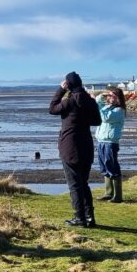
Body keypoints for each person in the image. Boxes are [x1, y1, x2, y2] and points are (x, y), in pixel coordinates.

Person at [49, 71, 102, 227]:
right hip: (86, 146)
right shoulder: (89, 101)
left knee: (74, 185)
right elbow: (97, 121)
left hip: (69, 146)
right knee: (83, 183)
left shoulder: (69, 102)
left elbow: (52, 108)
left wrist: (60, 90)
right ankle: (89, 217)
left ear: (68, 85)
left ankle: (79, 218)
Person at [94, 87, 127, 203]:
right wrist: (102, 96)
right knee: (104, 166)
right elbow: (97, 107)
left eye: (112, 96)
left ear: (118, 98)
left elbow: (105, 118)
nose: (109, 98)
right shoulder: (107, 107)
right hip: (101, 140)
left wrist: (100, 107)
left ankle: (118, 195)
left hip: (111, 141)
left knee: (112, 165)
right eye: (109, 96)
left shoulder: (119, 110)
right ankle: (108, 192)